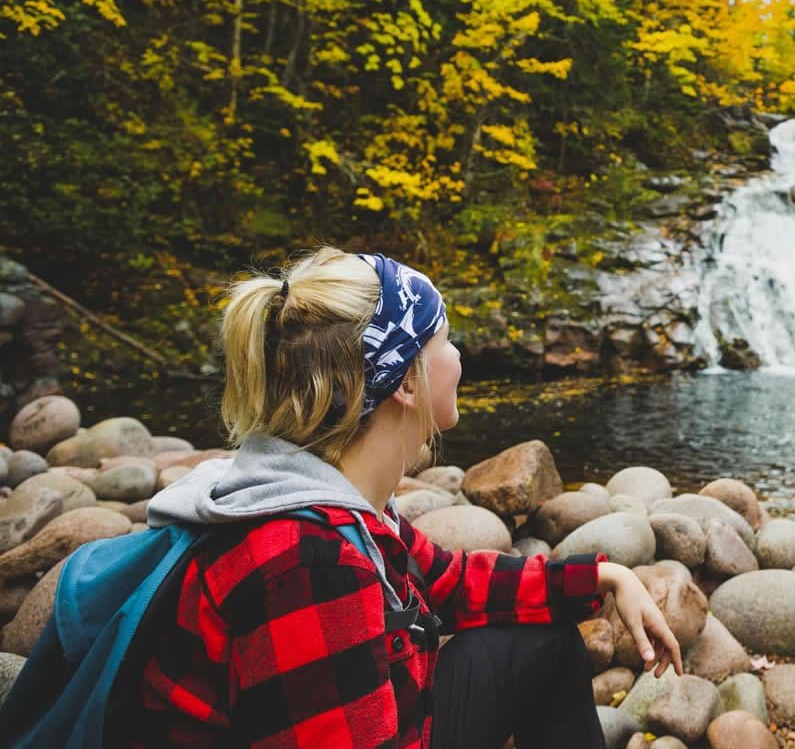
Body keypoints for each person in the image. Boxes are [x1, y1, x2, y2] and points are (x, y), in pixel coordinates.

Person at [132, 247, 681, 748]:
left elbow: (449, 580)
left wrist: (610, 577)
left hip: (396, 718)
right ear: (406, 382)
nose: (459, 357)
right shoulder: (308, 560)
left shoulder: (337, 497)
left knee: (542, 643)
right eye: (445, 341)